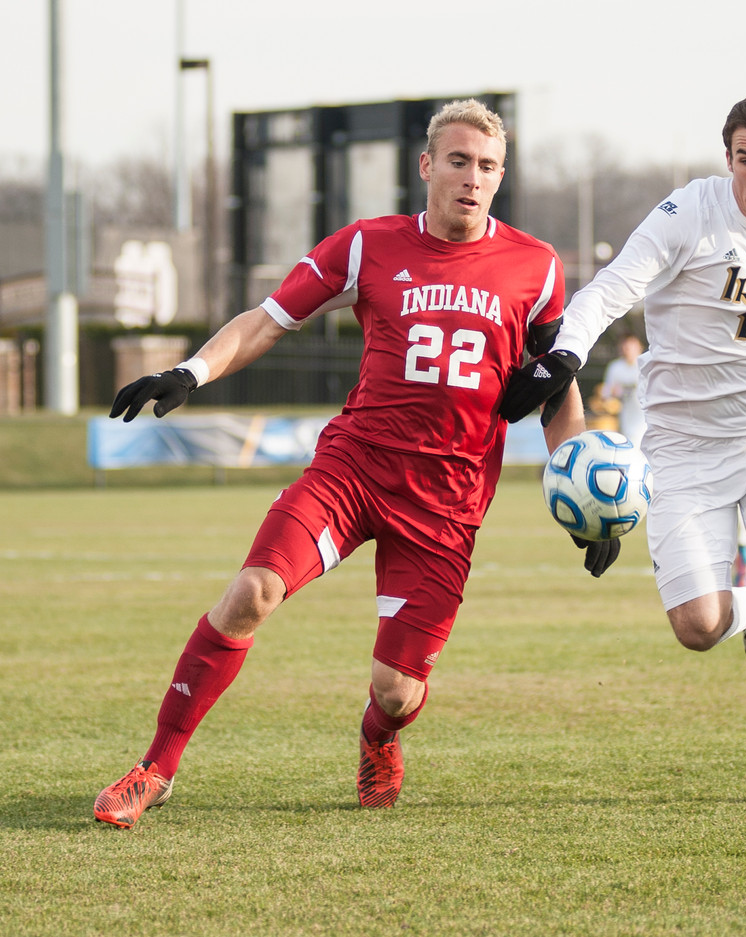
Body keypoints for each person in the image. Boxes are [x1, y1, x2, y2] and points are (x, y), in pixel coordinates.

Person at [93, 99, 617, 829]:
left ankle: (379, 735)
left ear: (502, 177)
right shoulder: (369, 245)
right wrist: (191, 371)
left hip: (447, 504)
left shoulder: (535, 267)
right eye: (459, 161)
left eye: (489, 166)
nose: (473, 178)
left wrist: (579, 495)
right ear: (428, 165)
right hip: (353, 472)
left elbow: (559, 393)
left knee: (398, 690)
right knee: (251, 591)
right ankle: (156, 767)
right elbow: (268, 319)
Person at [499, 90, 746, 807]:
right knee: (697, 628)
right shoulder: (688, 212)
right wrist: (567, 356)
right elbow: (609, 291)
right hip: (682, 447)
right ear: (728, 159)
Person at [598, 334, 646, 448]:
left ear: (639, 347)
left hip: (645, 417)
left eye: (632, 346)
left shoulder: (646, 365)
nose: (628, 350)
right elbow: (606, 392)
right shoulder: (615, 367)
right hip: (625, 417)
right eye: (626, 346)